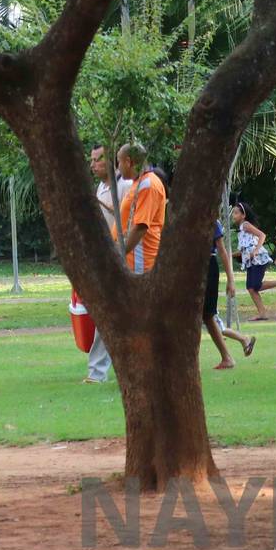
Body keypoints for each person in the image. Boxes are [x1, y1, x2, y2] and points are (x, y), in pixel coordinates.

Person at [84, 146, 131, 383]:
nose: (93, 165)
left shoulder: (124, 186)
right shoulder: (101, 187)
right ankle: (98, 371)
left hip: (125, 260)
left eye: (97, 160)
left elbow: (128, 221)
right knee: (109, 316)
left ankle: (98, 371)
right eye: (91, 160)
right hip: (105, 260)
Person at [205, 216, 255, 368]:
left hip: (208, 267)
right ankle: (230, 354)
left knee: (209, 316)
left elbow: (222, 250)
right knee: (207, 317)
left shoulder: (212, 221)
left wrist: (231, 279)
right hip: (193, 267)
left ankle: (233, 351)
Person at [117, 142, 165, 275]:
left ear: (128, 162)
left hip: (140, 264)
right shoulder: (137, 184)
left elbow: (141, 227)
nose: (118, 167)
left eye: (119, 162)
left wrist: (117, 253)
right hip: (130, 263)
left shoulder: (148, 185)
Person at [233, 202, 273, 321]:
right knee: (251, 287)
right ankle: (262, 313)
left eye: (236, 213)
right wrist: (227, 255)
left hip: (259, 258)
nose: (233, 215)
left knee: (255, 285)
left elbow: (262, 235)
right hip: (251, 261)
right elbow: (243, 251)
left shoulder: (245, 225)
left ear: (243, 215)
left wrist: (255, 251)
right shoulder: (241, 230)